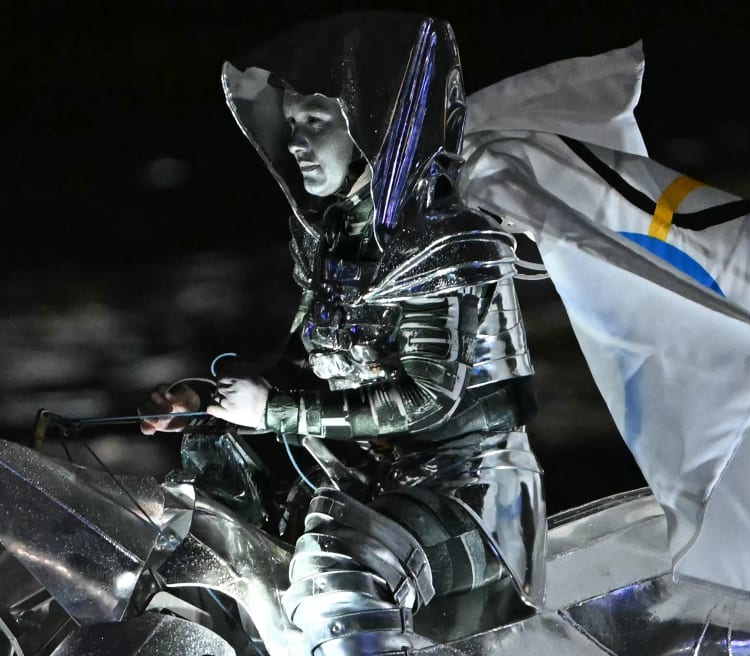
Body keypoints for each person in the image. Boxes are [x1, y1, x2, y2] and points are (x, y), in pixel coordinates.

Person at [141, 13, 545, 654]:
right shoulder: (335, 242)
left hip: (473, 502)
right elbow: (309, 367)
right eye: (292, 123)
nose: (295, 141)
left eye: (314, 122)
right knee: (210, 524)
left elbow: (425, 397)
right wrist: (211, 401)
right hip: (366, 487)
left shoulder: (445, 236)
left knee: (338, 568)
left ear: (369, 126)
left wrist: (273, 410)